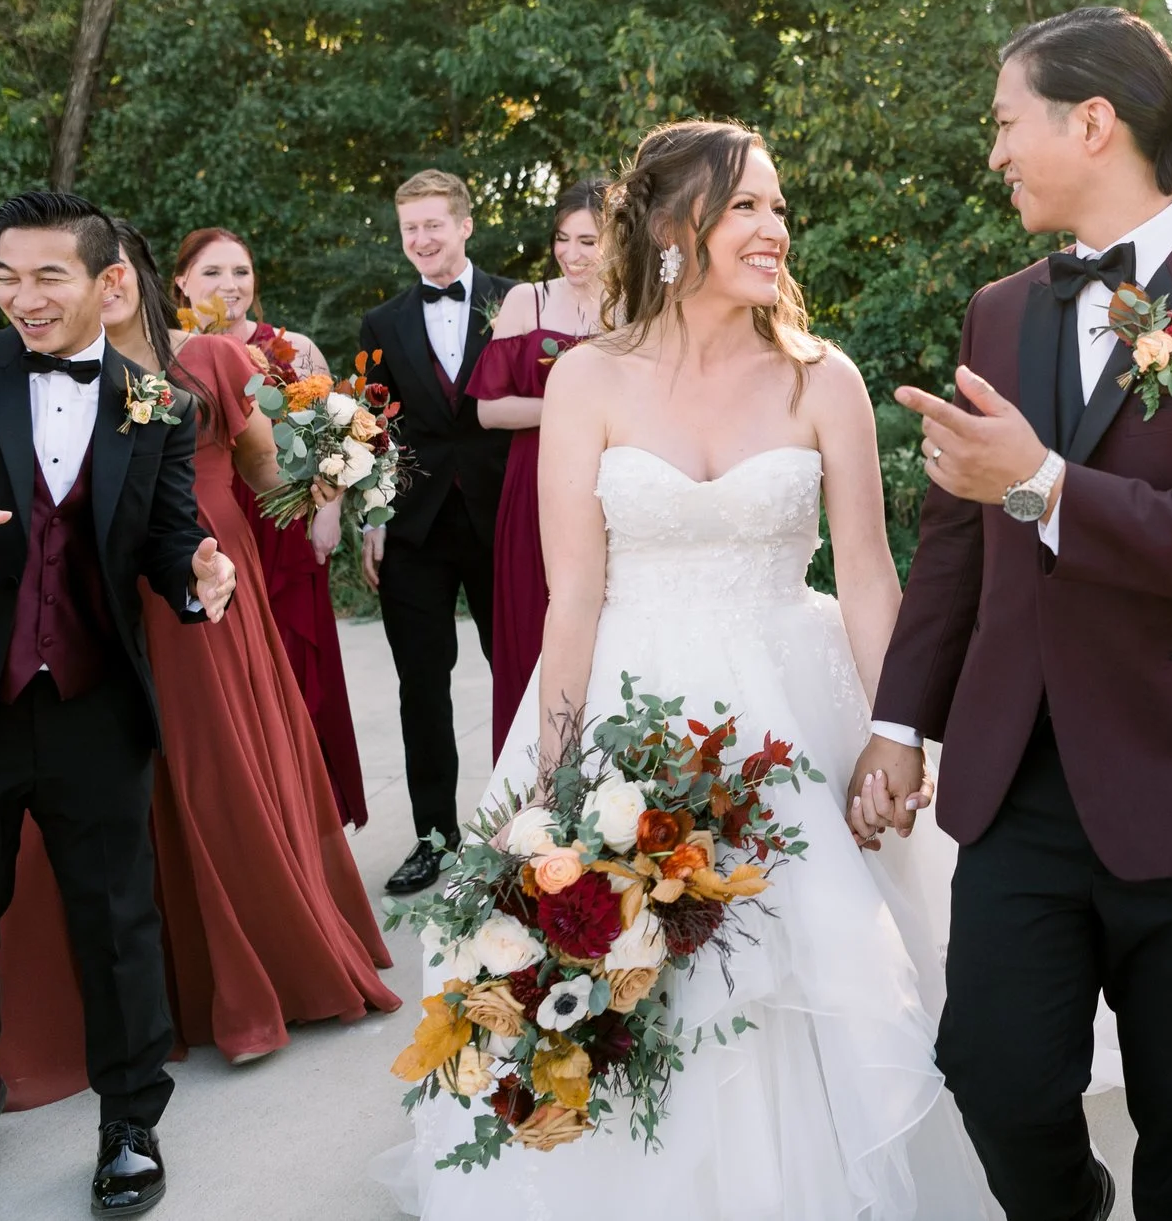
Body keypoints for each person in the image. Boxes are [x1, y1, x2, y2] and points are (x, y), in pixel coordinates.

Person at [376, 122, 995, 1219]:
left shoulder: (823, 379)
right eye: (748, 206)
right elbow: (574, 598)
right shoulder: (590, 381)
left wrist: (895, 735)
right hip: (631, 704)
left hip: (796, 717)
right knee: (632, 974)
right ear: (673, 228)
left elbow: (866, 578)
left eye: (778, 207)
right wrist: (550, 791)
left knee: (813, 974)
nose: (776, 228)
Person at [851, 7, 1172, 1221]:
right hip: (1021, 778)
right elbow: (958, 543)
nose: (994, 154)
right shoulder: (999, 308)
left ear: (1091, 120)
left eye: (1005, 123)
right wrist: (901, 720)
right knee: (995, 1075)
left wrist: (1044, 481)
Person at [0, 192, 235, 1213]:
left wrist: (199, 570)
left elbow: (167, 537)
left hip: (92, 703)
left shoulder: (156, 399)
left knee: (119, 918)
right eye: (8, 274)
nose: (22, 296)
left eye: (47, 275)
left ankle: (130, 1121)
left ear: (109, 285)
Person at [0, 223, 398, 1100]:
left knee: (217, 764)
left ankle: (254, 976)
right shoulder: (59, 371)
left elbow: (259, 472)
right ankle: (146, 985)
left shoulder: (211, 357)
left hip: (213, 577)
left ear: (139, 278)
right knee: (126, 769)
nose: (114, 289)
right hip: (110, 587)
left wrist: (332, 473)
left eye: (122, 273)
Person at [173, 226, 370, 827]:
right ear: (180, 281)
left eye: (240, 272)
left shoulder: (293, 349)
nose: (229, 285)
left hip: (280, 524)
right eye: (212, 273)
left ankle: (311, 817)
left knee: (292, 668)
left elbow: (341, 438)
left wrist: (328, 513)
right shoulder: (166, 352)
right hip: (203, 527)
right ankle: (243, 818)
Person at [359, 170, 513, 894]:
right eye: (409, 229)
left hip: (504, 518)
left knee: (522, 673)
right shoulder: (382, 323)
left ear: (465, 225)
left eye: (433, 225)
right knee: (422, 685)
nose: (420, 240)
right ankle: (434, 838)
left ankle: (534, 827)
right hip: (414, 528)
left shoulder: (518, 302)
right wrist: (374, 515)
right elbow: (371, 430)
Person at [466, 181, 609, 758]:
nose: (571, 254)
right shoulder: (529, 299)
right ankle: (529, 788)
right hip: (536, 481)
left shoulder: (639, 305)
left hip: (610, 483)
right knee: (534, 622)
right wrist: (575, 411)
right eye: (562, 239)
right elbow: (489, 408)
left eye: (589, 241)